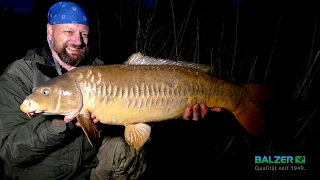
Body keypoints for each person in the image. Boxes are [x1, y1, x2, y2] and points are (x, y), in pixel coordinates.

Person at [0, 1, 220, 180]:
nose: (78, 41)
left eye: (84, 34)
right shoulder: (19, 73)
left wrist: (176, 108)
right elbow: (11, 152)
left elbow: (136, 107)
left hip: (87, 168)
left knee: (131, 150)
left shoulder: (98, 68)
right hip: (37, 175)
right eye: (68, 31)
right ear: (49, 31)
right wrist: (60, 124)